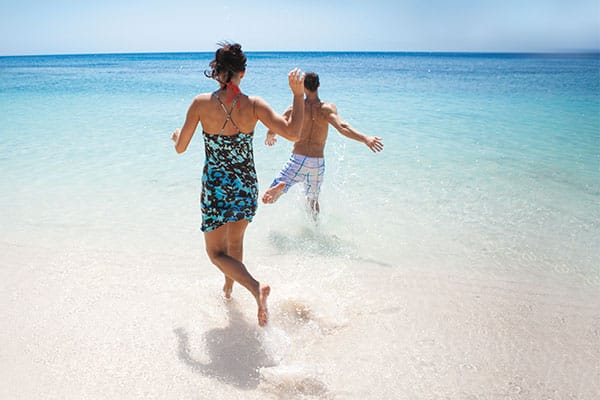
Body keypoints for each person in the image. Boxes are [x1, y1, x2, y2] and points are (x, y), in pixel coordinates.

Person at [171, 42, 305, 326]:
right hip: (245, 184)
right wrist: (297, 95)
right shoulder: (254, 105)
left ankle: (255, 288)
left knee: (216, 253)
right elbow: (293, 134)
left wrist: (175, 137)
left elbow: (181, 148)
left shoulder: (200, 103)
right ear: (242, 73)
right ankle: (229, 291)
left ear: (217, 72)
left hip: (217, 186)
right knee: (236, 243)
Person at [262, 72, 383, 218]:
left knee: (270, 198)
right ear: (319, 85)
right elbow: (342, 127)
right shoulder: (327, 108)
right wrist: (365, 138)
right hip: (317, 163)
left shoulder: (296, 107)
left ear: (303, 87)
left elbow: (277, 125)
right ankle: (315, 230)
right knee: (313, 201)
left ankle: (280, 188)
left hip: (297, 159)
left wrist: (270, 135)